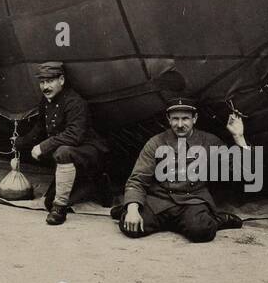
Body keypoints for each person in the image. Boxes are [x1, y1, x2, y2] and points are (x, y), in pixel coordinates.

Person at [112, 99, 245, 243]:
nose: (180, 125)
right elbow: (138, 179)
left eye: (185, 119)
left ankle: (216, 219)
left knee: (202, 232)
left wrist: (239, 137)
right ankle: (137, 210)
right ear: (168, 120)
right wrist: (132, 210)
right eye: (175, 119)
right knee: (130, 227)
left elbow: (239, 169)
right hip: (160, 200)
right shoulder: (156, 142)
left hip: (192, 200)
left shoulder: (209, 141)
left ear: (195, 119)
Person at [15, 61, 112, 226]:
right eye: (42, 82)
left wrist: (43, 147)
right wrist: (20, 142)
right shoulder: (46, 101)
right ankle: (93, 185)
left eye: (50, 81)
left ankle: (59, 209)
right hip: (69, 155)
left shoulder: (74, 102)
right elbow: (39, 127)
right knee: (47, 201)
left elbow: (74, 135)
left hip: (90, 152)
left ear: (61, 80)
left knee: (62, 152)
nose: (45, 87)